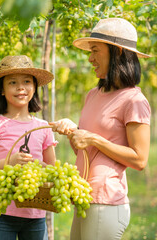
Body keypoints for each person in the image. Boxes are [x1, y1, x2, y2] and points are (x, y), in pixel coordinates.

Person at [49, 18, 151, 240]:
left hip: (106, 202)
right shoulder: (93, 95)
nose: (90, 58)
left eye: (95, 50)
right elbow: (86, 152)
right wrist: (73, 132)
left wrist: (94, 139)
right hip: (84, 196)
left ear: (119, 53)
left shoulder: (134, 100)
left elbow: (140, 160)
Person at [0, 55, 57, 240]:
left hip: (36, 214)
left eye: (27, 81)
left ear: (34, 87)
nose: (20, 88)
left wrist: (37, 166)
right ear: (2, 89)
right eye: (12, 83)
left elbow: (53, 171)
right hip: (0, 215)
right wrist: (9, 162)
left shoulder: (43, 127)